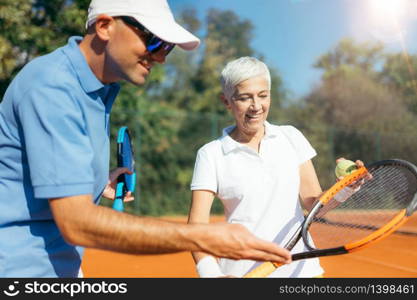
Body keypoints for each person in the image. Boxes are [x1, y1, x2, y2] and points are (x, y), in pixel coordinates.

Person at [0, 1, 291, 278]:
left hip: (58, 266)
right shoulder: (53, 87)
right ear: (104, 26)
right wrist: (202, 236)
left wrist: (97, 182)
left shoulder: (97, 91)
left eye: (168, 47)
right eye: (154, 41)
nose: (161, 56)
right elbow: (76, 222)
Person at [188, 56, 362, 278]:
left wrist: (346, 188)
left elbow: (314, 204)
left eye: (263, 95)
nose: (256, 106)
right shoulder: (210, 154)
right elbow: (197, 227)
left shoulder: (291, 137)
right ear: (226, 101)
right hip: (240, 273)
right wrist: (212, 275)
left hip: (302, 272)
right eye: (244, 98)